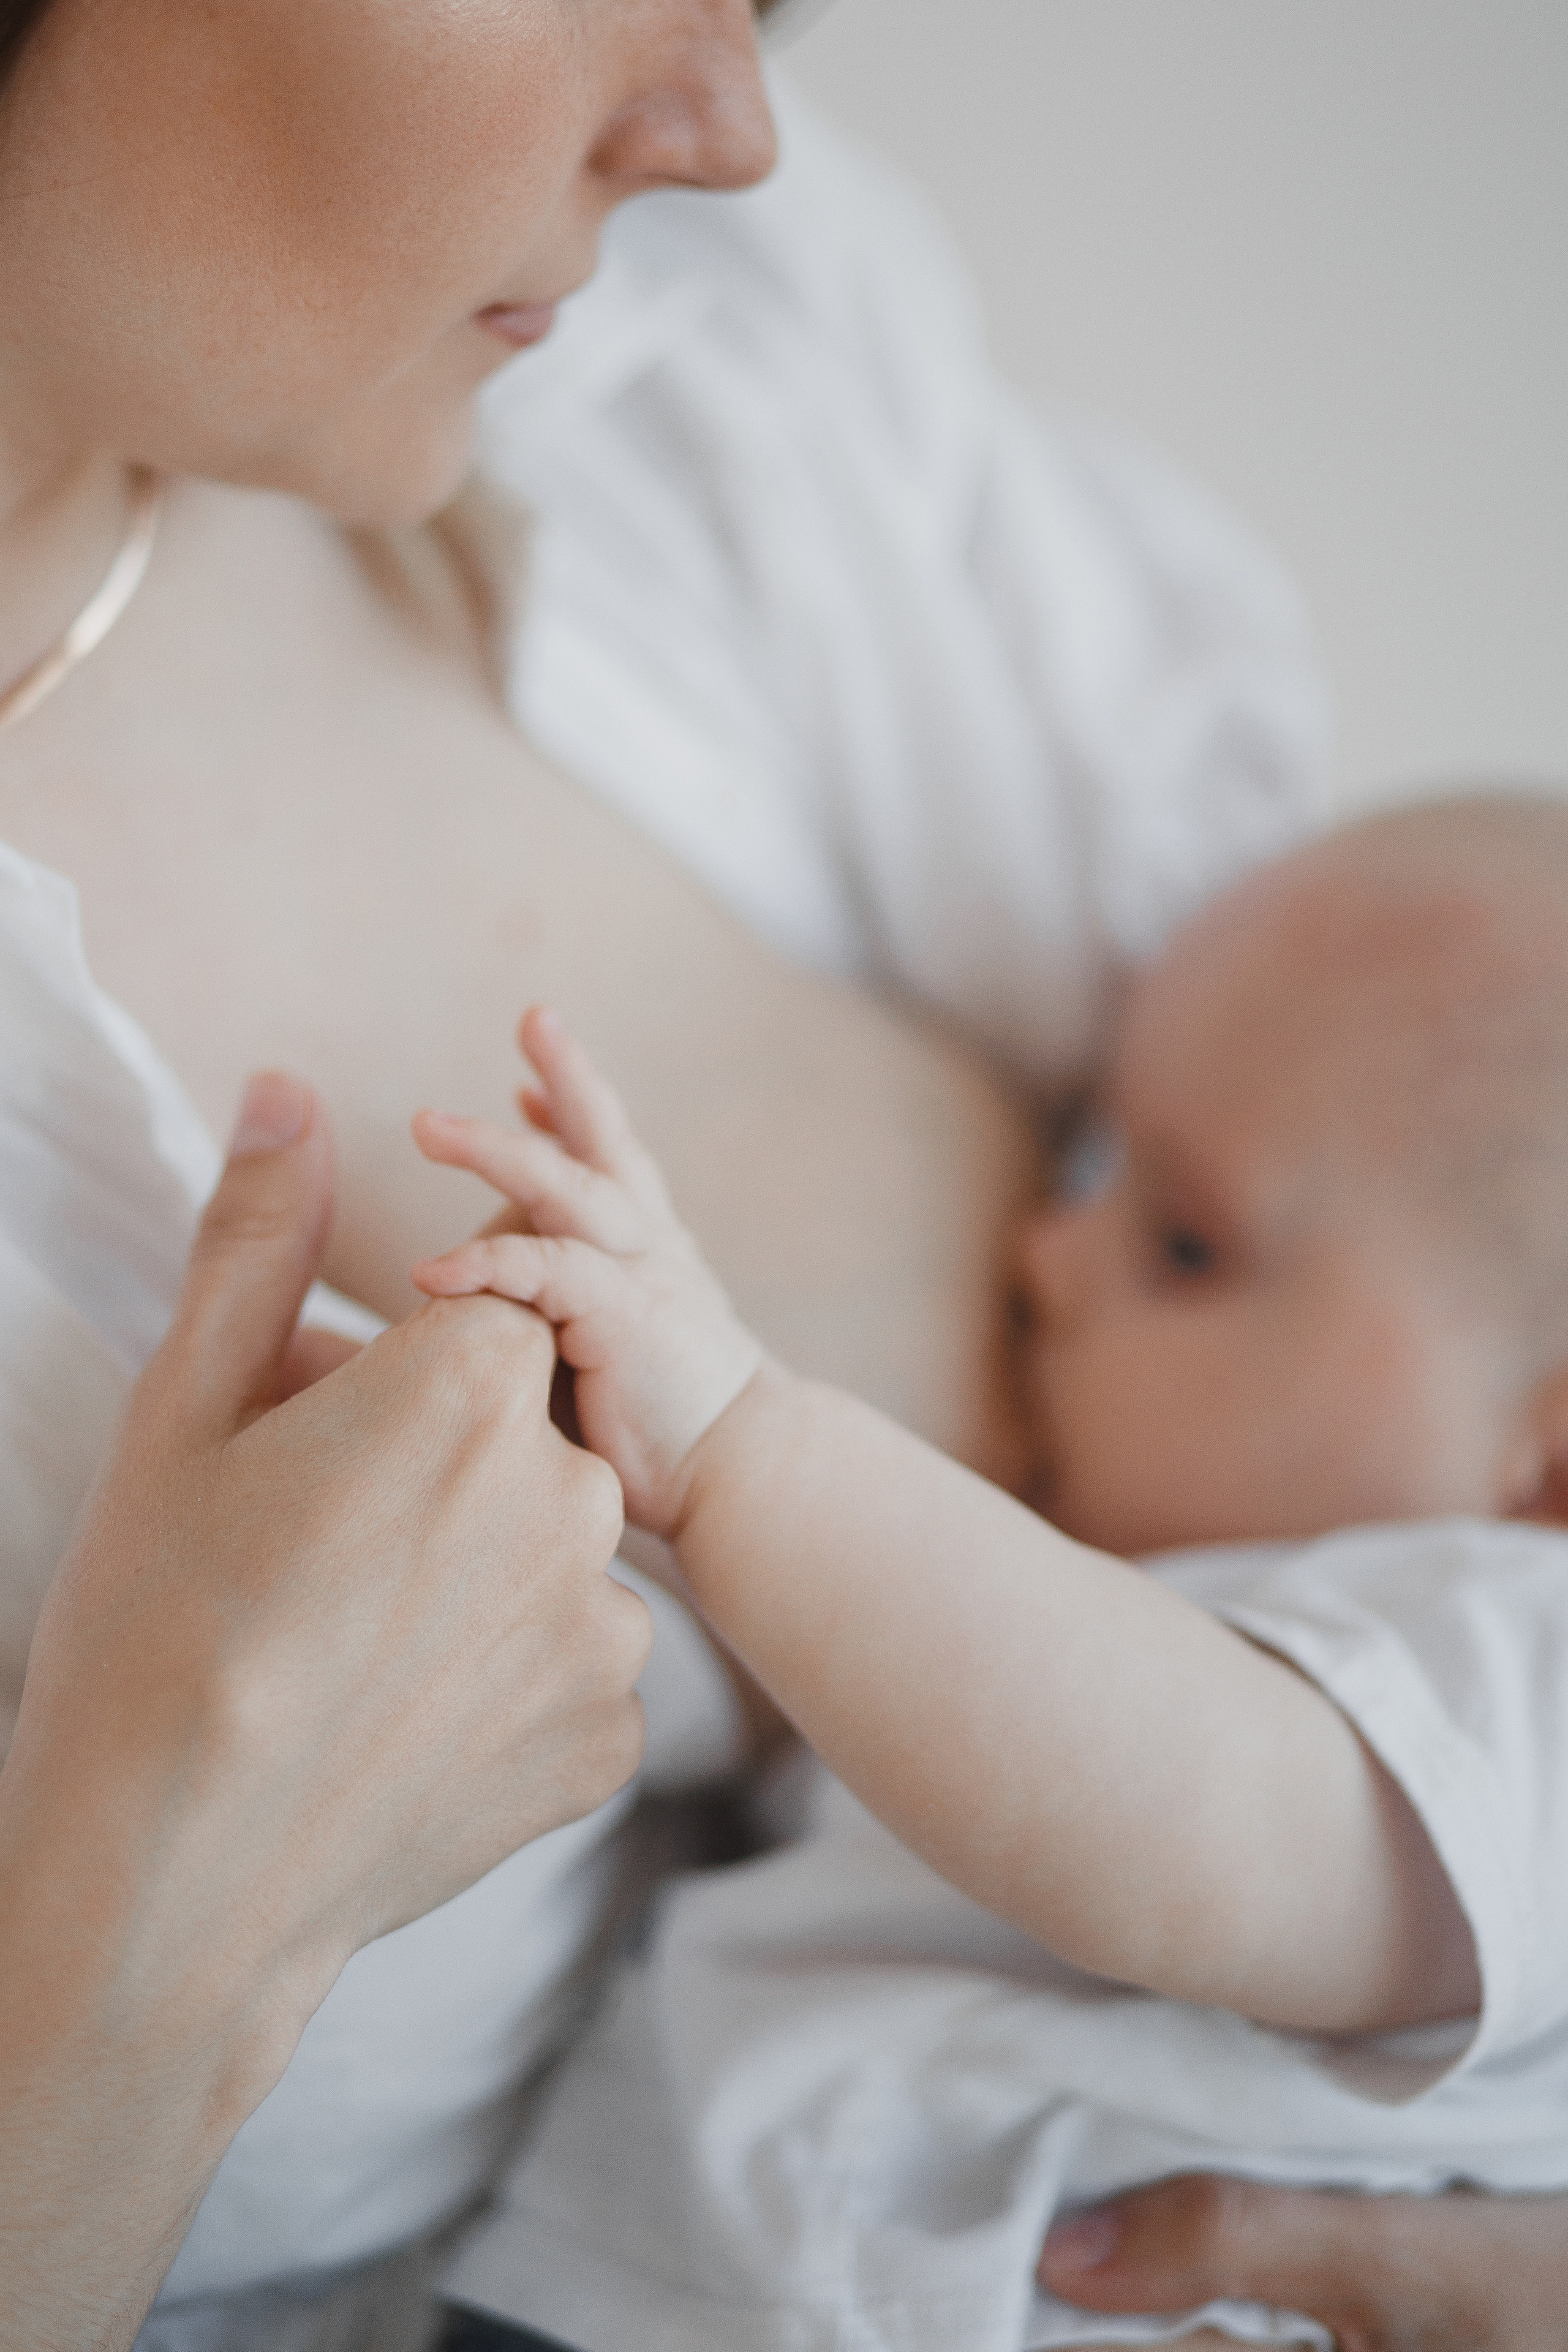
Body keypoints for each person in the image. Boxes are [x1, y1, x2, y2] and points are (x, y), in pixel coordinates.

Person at [0, 1, 1561, 2344]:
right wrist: (126, 1959)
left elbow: (1430, 1137)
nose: (734, 126)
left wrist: (731, 1440)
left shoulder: (706, 370)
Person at [412, 794, 1568, 2352]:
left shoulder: (1520, 1660)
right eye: (1096, 1163)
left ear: (1548, 1464)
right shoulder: (1145, 1595)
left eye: (1185, 1243)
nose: (1047, 1252)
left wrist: (746, 1443)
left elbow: (1202, 1823)